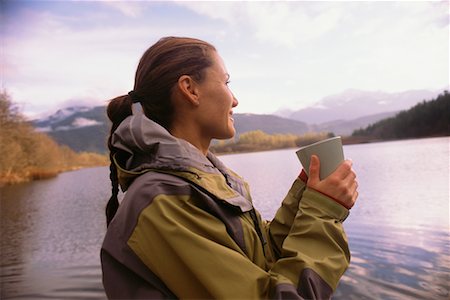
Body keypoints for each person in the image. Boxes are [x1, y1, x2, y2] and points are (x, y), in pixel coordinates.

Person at [101, 36, 358, 299]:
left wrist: (306, 196)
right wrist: (323, 212)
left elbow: (263, 254)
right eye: (226, 82)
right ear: (190, 89)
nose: (234, 100)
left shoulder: (205, 180)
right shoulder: (162, 202)